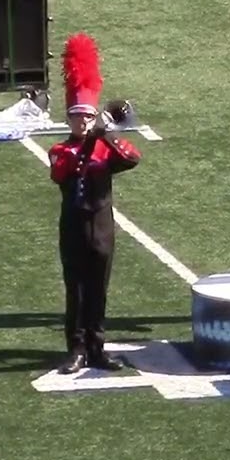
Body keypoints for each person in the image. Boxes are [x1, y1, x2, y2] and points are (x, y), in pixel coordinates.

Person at [48, 33, 142, 374]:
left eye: (88, 117)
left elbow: (132, 158)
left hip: (102, 227)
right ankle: (76, 348)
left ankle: (97, 347)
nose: (83, 123)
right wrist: (93, 142)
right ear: (69, 120)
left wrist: (109, 133)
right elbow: (64, 172)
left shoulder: (105, 146)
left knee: (99, 290)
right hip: (73, 226)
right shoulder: (60, 150)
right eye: (77, 117)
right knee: (76, 290)